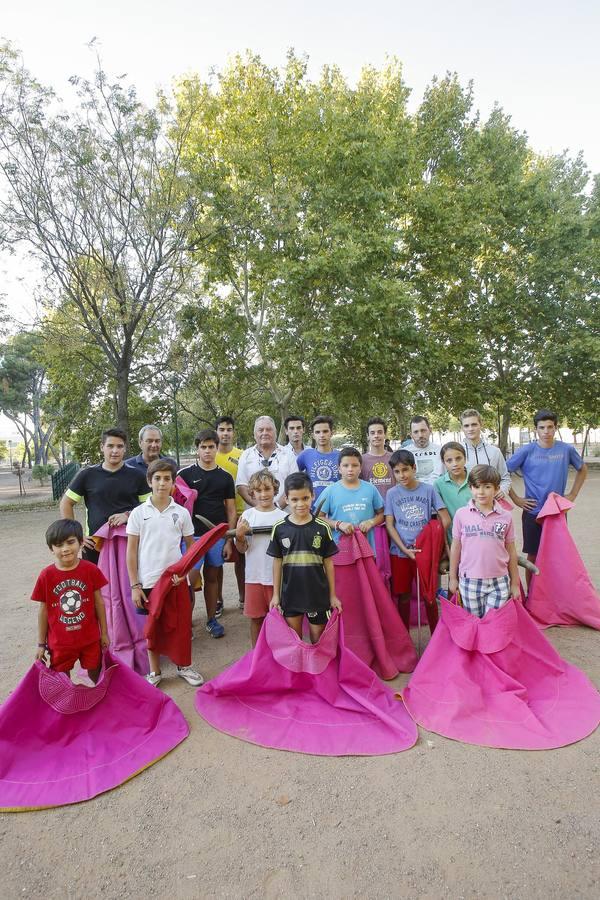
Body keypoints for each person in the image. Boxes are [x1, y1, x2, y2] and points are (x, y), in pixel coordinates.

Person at [126, 459, 203, 686]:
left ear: (173, 483)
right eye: (157, 478)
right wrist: (135, 585)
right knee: (152, 629)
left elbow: (192, 548)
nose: (162, 483)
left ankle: (184, 667)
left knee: (180, 626)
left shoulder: (181, 513)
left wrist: (187, 572)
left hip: (177, 581)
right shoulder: (138, 514)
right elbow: (131, 553)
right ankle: (155, 672)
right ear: (150, 481)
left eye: (167, 478)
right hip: (149, 581)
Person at [507, 409, 588, 580]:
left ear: (556, 428)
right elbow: (502, 473)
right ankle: (531, 597)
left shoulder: (566, 449)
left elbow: (583, 469)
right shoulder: (526, 451)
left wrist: (572, 494)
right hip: (533, 512)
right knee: (533, 556)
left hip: (557, 513)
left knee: (557, 557)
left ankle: (552, 595)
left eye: (550, 427)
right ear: (535, 429)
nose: (546, 431)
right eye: (542, 427)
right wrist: (516, 498)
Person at [32, 519, 109, 684]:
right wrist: (41, 644)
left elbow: (99, 604)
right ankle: (67, 706)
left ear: (81, 542)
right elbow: (43, 611)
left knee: (96, 673)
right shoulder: (46, 576)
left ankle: (102, 701)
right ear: (51, 549)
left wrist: (104, 633)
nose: (65, 549)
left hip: (90, 639)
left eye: (70, 542)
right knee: (61, 679)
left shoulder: (91, 570)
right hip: (60, 643)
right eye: (59, 545)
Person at [268, 472, 341, 643]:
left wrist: (332, 596)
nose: (300, 504)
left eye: (305, 498)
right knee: (295, 642)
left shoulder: (322, 527)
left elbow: (328, 564)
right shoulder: (279, 528)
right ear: (286, 499)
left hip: (318, 596)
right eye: (294, 500)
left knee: (319, 641)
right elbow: (277, 562)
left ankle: (318, 670)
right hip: (290, 595)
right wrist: (276, 595)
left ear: (313, 496)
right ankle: (298, 671)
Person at [177, 429, 237, 638]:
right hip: (191, 537)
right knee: (189, 580)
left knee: (212, 577)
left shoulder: (225, 477)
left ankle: (211, 620)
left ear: (217, 448)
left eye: (212, 446)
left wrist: (228, 540)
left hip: (217, 537)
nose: (208, 451)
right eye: (203, 447)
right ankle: (185, 623)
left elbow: (230, 510)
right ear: (197, 450)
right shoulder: (183, 476)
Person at [60, 428, 150, 564]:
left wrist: (127, 515)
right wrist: (76, 536)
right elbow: (66, 503)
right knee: (97, 585)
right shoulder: (87, 474)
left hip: (129, 542)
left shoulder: (137, 476)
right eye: (110, 446)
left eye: (119, 446)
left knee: (128, 584)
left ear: (125, 449)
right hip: (95, 544)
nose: (115, 450)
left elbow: (149, 506)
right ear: (102, 447)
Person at [385, 449, 449, 629]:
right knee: (403, 595)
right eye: (397, 472)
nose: (401, 475)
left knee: (429, 595)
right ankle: (405, 636)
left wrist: (431, 540)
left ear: (414, 468)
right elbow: (390, 524)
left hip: (424, 554)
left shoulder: (428, 490)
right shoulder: (392, 494)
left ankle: (436, 635)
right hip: (400, 553)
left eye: (405, 469)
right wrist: (405, 549)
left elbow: (445, 519)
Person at [449, 465, 520, 617]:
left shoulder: (506, 516)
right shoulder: (461, 515)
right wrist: (453, 578)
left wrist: (514, 583)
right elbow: (455, 548)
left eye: (487, 487)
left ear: (496, 489)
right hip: (470, 581)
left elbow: (511, 550)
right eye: (476, 486)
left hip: (499, 581)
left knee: (493, 625)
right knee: (474, 624)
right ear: (470, 488)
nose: (481, 492)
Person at [234, 470, 283, 646]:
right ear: (252, 493)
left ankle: (280, 656)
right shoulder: (247, 516)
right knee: (256, 620)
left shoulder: (284, 518)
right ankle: (257, 656)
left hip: (278, 578)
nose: (263, 494)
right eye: (259, 490)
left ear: (275, 489)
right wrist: (239, 536)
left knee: (280, 620)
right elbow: (242, 549)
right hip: (254, 577)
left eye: (267, 489)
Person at [318, 446, 384, 555]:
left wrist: (371, 522)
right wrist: (338, 524)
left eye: (354, 465)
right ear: (339, 468)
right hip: (339, 549)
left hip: (367, 549)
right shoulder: (330, 491)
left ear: (360, 467)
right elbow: (318, 518)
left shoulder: (370, 489)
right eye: (345, 465)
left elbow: (381, 514)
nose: (350, 469)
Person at [215, 415, 245, 614]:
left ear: (234, 432)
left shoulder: (243, 455)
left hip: (241, 511)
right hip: (217, 514)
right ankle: (218, 600)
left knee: (241, 557)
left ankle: (244, 598)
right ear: (216, 432)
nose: (225, 433)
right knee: (216, 561)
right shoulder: (209, 454)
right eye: (222, 429)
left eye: (229, 429)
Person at [236, 416, 298, 509]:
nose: (265, 433)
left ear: (275, 433)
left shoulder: (288, 454)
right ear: (254, 434)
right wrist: (260, 508)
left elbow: (294, 483)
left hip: (284, 515)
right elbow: (241, 486)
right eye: (261, 430)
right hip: (254, 517)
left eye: (269, 429)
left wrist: (277, 507)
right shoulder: (246, 455)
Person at [460, 409, 511, 496]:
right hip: (466, 505)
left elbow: (505, 478)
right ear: (462, 428)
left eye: (474, 424)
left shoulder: (495, 451)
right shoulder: (457, 452)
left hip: (491, 504)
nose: (470, 429)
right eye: (466, 426)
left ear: (481, 425)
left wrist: (502, 490)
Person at [296, 415, 340, 508]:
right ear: (313, 435)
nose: (322, 435)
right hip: (311, 508)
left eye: (325, 431)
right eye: (317, 432)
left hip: (335, 507)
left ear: (331, 433)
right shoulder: (305, 455)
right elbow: (294, 476)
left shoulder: (341, 456)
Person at [434, 442, 470, 548]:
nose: (455, 464)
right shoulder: (438, 484)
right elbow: (440, 517)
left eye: (458, 458)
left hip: (477, 536)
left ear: (465, 458)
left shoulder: (476, 479)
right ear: (443, 462)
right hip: (454, 541)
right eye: (449, 460)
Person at [403, 416, 443, 486]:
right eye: (416, 432)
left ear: (430, 430)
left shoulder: (441, 450)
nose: (420, 435)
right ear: (411, 434)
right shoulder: (404, 453)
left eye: (423, 430)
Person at [360, 418, 394, 499]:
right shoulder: (361, 460)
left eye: (379, 432)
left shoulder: (394, 458)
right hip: (370, 507)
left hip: (392, 506)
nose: (376, 436)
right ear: (368, 436)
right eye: (372, 433)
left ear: (385, 434)